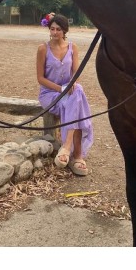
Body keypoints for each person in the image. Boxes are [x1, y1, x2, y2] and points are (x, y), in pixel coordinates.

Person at [36, 13, 94, 176]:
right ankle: (77, 156)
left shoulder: (72, 47)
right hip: (50, 94)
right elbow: (40, 78)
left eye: (58, 30)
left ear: (65, 31)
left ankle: (66, 146)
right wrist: (61, 89)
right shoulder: (43, 49)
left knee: (78, 91)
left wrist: (72, 84)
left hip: (69, 91)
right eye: (52, 29)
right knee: (77, 103)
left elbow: (76, 72)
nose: (54, 33)